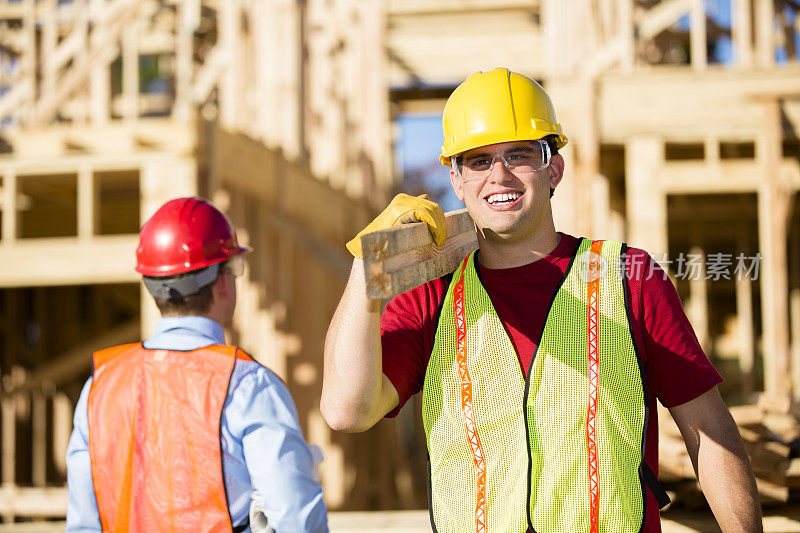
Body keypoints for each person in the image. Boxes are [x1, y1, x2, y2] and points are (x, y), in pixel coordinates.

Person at [321, 68, 762, 532]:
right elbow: (347, 411)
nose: (500, 174)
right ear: (456, 179)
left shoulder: (629, 278)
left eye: (520, 154)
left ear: (554, 167)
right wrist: (366, 273)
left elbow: (709, 431)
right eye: (479, 161)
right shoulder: (434, 296)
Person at [66, 197, 328, 533]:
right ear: (223, 281)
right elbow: (298, 522)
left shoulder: (99, 387)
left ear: (151, 285)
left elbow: (83, 525)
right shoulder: (247, 385)